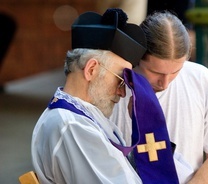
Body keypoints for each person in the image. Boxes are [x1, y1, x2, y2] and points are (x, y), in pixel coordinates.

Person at [110, 11, 208, 183]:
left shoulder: (200, 79)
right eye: (155, 72)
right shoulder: (113, 86)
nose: (165, 83)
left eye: (175, 72)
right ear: (138, 57)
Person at [31, 8, 147, 183]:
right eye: (121, 80)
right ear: (91, 70)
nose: (122, 92)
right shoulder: (71, 125)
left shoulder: (82, 116)